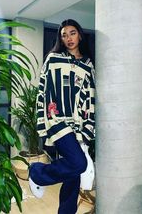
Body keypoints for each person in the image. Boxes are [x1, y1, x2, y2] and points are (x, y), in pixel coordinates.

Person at [29, 19, 95, 214]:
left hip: (77, 125)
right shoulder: (54, 59)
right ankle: (37, 172)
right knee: (79, 163)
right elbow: (44, 90)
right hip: (56, 120)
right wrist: (48, 117)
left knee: (72, 177)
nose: (68, 38)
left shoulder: (88, 66)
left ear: (80, 35)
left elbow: (89, 98)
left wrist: (86, 128)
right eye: (64, 35)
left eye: (72, 33)